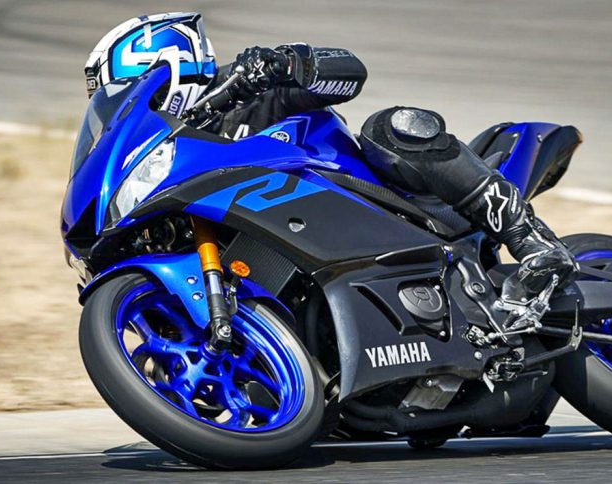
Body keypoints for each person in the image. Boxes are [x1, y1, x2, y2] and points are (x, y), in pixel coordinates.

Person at [85, 12, 576, 310]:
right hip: (295, 250)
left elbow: (350, 74)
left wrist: (286, 64)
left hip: (384, 200)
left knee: (392, 127)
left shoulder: (246, 90)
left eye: (121, 85)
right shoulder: (169, 155)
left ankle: (533, 243)